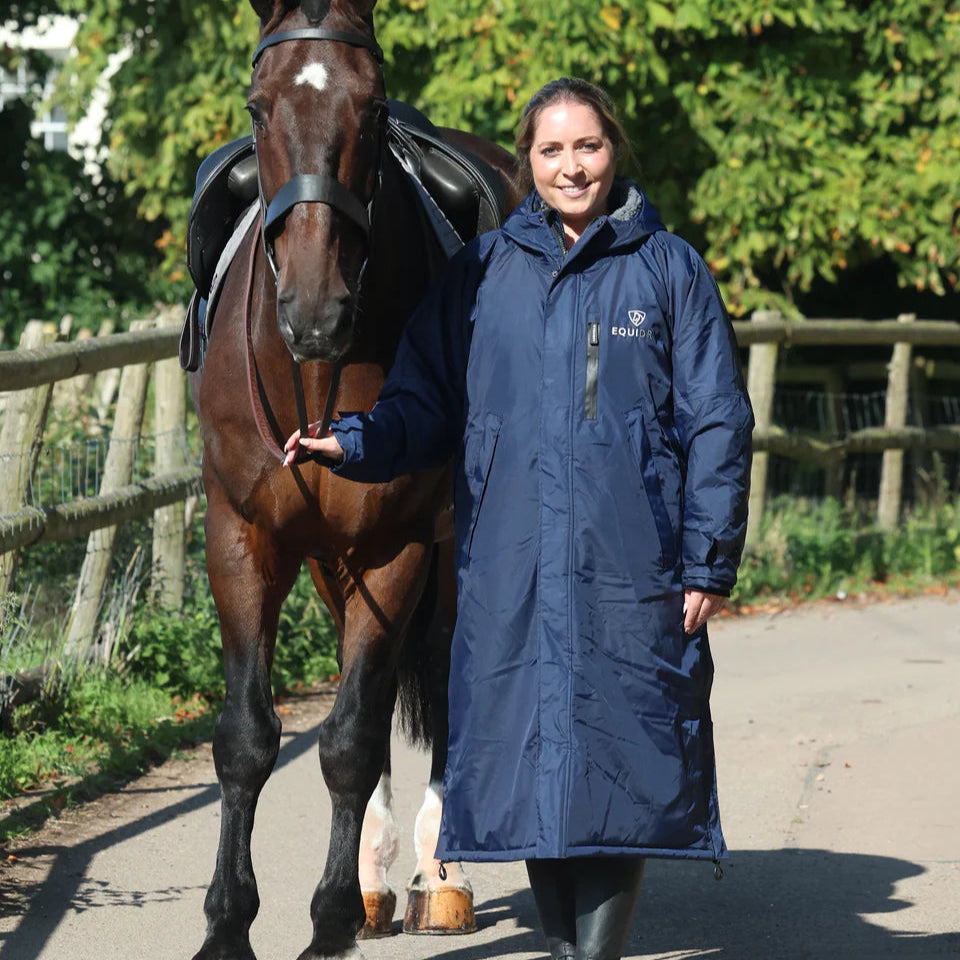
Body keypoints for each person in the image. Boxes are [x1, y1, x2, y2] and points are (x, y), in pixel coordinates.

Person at [284, 78, 753, 960]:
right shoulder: (481, 274)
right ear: (528, 161)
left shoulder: (669, 270)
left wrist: (706, 560)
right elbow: (420, 401)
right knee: (530, 774)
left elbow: (719, 420)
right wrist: (351, 444)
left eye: (588, 147)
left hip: (634, 569)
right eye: (551, 150)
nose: (571, 166)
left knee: (621, 765)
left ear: (614, 151)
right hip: (511, 569)